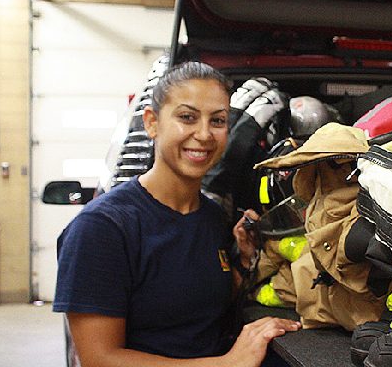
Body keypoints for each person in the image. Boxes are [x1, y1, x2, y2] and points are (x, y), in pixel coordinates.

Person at [53, 61, 301, 367]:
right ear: (152, 123)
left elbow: (195, 306)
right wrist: (230, 363)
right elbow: (100, 359)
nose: (204, 134)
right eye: (187, 117)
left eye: (218, 121)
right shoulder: (102, 228)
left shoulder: (211, 217)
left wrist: (244, 262)